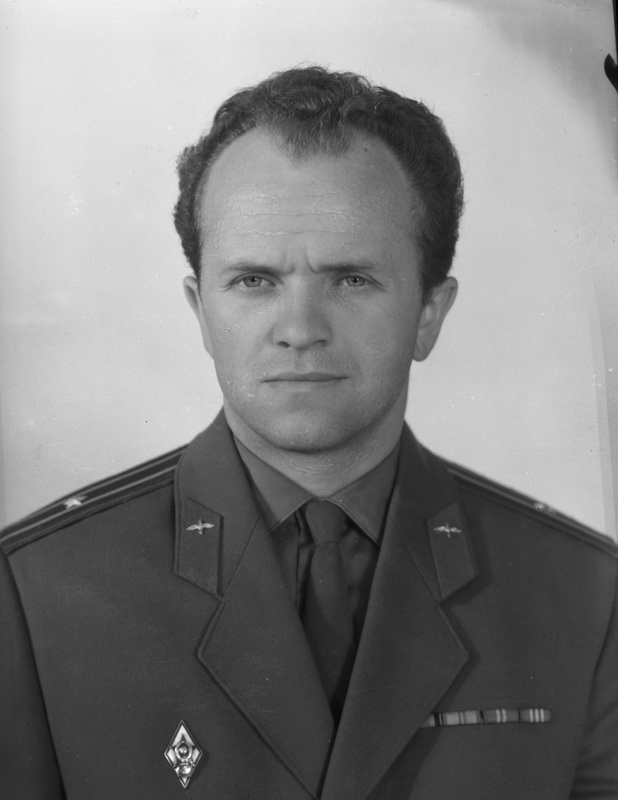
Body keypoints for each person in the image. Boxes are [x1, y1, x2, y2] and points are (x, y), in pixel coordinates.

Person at [1, 66, 616, 800]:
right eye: (254, 281)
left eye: (351, 280)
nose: (299, 329)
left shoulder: (585, 595)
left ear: (429, 313)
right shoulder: (36, 593)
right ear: (201, 312)